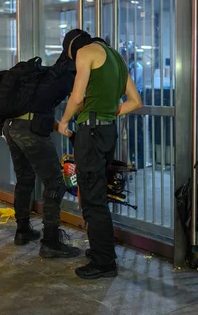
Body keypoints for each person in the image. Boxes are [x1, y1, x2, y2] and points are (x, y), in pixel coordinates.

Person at [58, 29, 142, 279]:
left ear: (73, 48)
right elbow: (135, 101)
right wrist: (109, 112)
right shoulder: (116, 58)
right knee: (97, 193)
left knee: (92, 197)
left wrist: (64, 121)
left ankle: (104, 262)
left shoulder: (85, 53)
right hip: (107, 133)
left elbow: (77, 96)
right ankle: (101, 250)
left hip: (90, 134)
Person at [1, 52, 81, 258]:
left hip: (11, 126)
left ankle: (23, 230)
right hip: (28, 131)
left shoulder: (42, 78)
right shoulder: (66, 78)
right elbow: (77, 100)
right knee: (55, 183)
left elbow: (41, 115)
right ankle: (50, 241)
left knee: (25, 178)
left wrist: (67, 131)